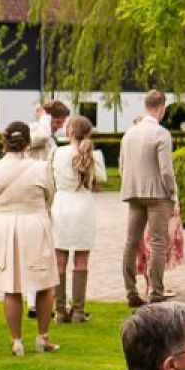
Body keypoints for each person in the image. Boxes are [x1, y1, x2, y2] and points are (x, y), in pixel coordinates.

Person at [0, 119, 61, 356]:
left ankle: (17, 340)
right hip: (34, 224)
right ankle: (42, 337)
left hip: (4, 224)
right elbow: (50, 195)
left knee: (11, 285)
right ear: (28, 142)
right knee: (44, 282)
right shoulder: (41, 167)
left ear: (4, 141)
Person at [117, 89, 177, 307]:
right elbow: (166, 171)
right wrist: (172, 192)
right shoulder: (161, 134)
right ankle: (156, 290)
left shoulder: (129, 134)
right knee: (158, 242)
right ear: (161, 108)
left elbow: (123, 166)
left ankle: (130, 290)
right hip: (157, 194)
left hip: (134, 193)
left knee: (131, 242)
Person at [51, 112, 106, 324]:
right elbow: (100, 182)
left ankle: (60, 310)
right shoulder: (95, 155)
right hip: (83, 206)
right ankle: (79, 311)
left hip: (62, 205)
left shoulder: (58, 153)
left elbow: (50, 179)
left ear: (69, 132)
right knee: (81, 260)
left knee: (59, 260)